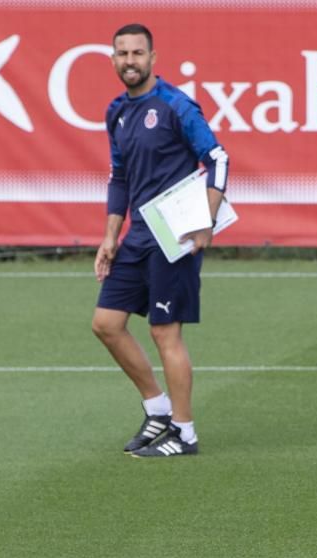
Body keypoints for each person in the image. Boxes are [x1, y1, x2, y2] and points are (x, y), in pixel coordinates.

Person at [92, 23, 228, 458]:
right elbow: (120, 177)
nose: (129, 61)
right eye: (122, 54)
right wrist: (110, 237)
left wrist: (205, 220)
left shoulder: (175, 105)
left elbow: (218, 159)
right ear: (113, 59)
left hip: (176, 233)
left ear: (153, 58)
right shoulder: (116, 111)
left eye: (137, 53)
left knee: (164, 331)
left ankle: (184, 433)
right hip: (137, 237)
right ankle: (157, 410)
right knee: (107, 325)